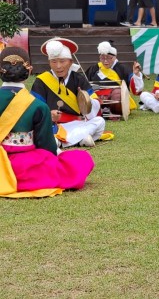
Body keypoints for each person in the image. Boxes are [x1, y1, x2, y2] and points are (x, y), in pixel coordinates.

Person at [0, 47, 94, 197]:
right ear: (29, 70)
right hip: (26, 168)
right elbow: (47, 148)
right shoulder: (38, 106)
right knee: (81, 159)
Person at [31, 38, 106, 148]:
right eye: (54, 62)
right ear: (49, 63)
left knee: (99, 121)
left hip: (77, 124)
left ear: (70, 62)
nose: (58, 66)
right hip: (53, 125)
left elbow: (94, 106)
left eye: (62, 61)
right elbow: (34, 108)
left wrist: (85, 101)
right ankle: (79, 139)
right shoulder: (41, 81)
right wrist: (48, 114)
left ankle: (60, 141)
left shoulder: (79, 79)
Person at [85, 41, 144, 113]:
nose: (105, 61)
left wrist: (136, 74)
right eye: (102, 58)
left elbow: (136, 89)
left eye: (109, 58)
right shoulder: (94, 68)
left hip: (115, 99)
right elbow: (85, 84)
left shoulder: (122, 68)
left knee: (117, 95)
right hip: (97, 98)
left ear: (115, 57)